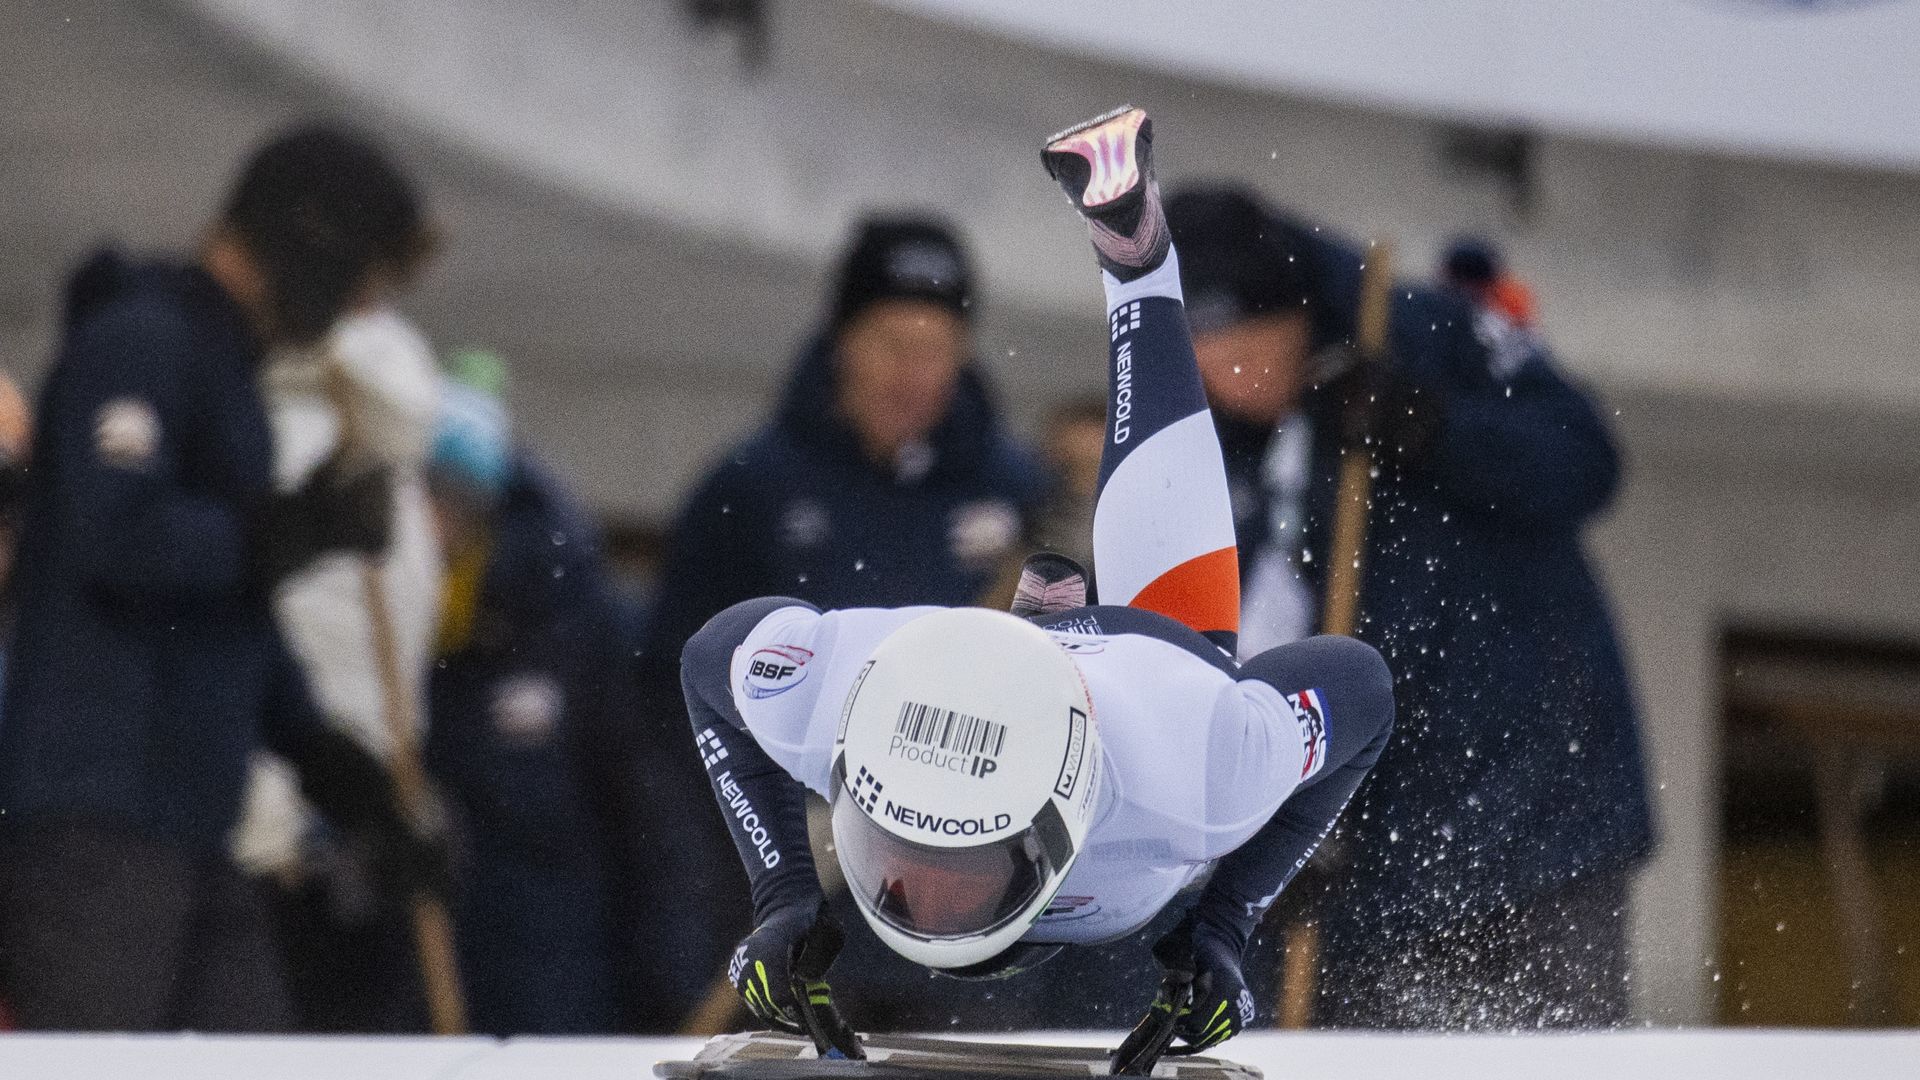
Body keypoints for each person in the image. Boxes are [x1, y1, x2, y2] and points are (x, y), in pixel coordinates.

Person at [681, 106, 1395, 1057]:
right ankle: (1132, 256)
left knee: (1184, 614)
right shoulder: (852, 686)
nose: (925, 906)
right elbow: (711, 659)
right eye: (901, 864)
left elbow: (1364, 689)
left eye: (961, 875)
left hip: (1152, 667)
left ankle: (1137, 254)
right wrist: (781, 900)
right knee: (1167, 556)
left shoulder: (1198, 756)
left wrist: (1228, 916)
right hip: (1022, 678)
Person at [1162, 186, 1653, 1028]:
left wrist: (1432, 428)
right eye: (1203, 353)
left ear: (1294, 314)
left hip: (1534, 819)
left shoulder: (1422, 333)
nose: (1225, 374)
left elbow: (1583, 457)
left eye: (1244, 347)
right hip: (1367, 870)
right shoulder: (1217, 444)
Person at [0, 125, 443, 1032]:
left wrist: (337, 772)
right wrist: (289, 530)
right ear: (307, 244)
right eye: (357, 276)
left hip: (193, 827)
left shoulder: (227, 380)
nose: (355, 307)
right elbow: (113, 535)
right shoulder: (140, 344)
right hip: (97, 826)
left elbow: (226, 614)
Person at [638, 213, 1049, 1027]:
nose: (917, 372)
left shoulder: (1013, 489)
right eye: (895, 343)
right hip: (795, 899)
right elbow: (669, 698)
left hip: (965, 916)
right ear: (842, 341)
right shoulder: (751, 486)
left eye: (939, 348)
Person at [420, 361, 647, 1035]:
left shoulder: (574, 621)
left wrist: (663, 977)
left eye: (444, 502)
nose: (430, 530)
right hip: (425, 966)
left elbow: (639, 814)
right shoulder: (401, 614)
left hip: (553, 974)